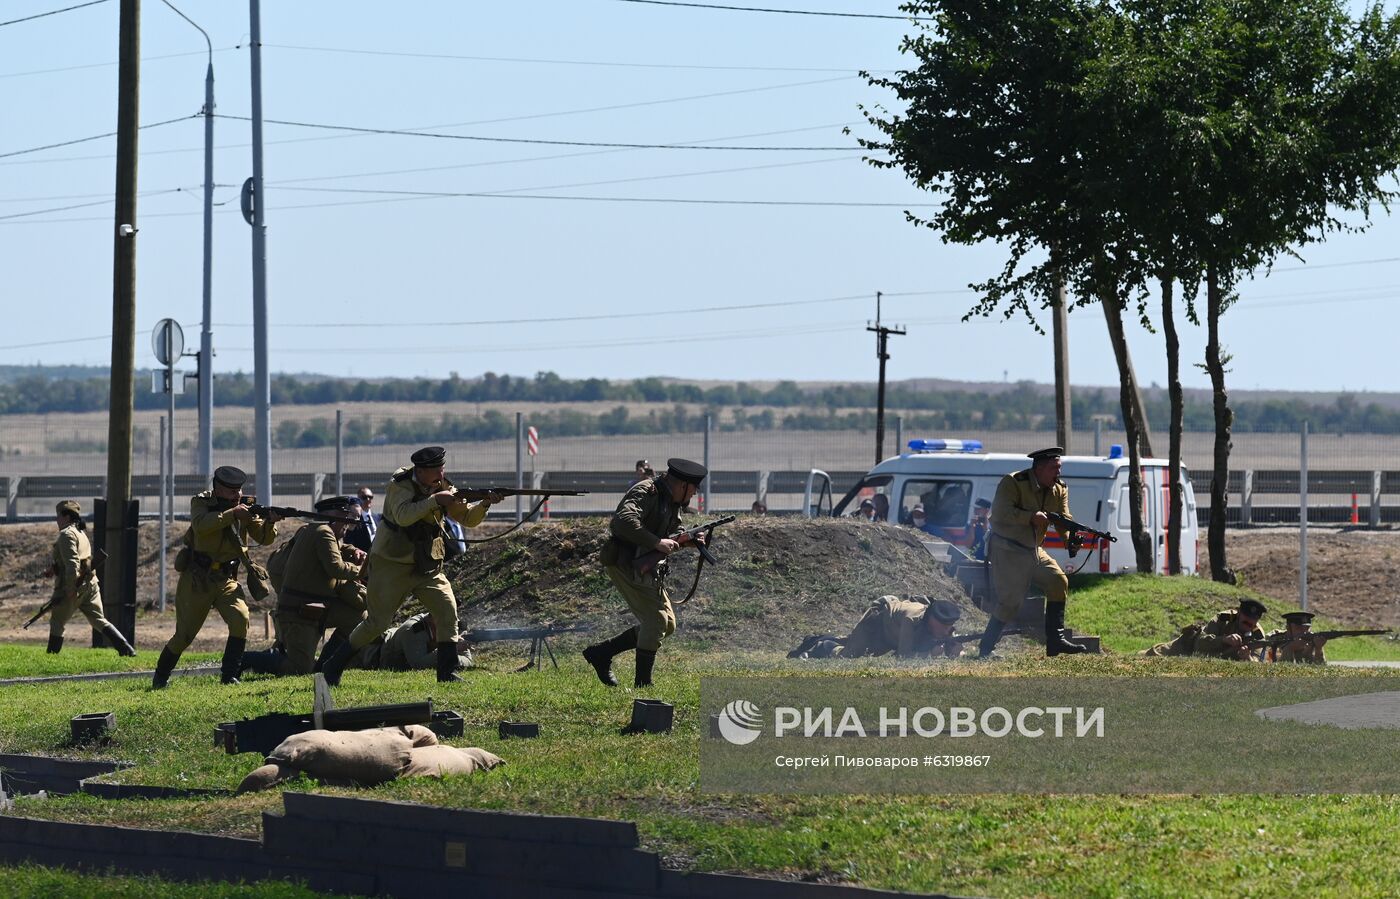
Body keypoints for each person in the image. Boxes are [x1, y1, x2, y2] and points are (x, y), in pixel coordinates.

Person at [319, 446, 502, 686]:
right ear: (421, 471)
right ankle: (333, 666)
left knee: (447, 611)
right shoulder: (400, 484)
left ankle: (446, 673)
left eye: (442, 468)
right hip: (391, 564)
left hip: (426, 564)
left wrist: (485, 504)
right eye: (436, 469)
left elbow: (468, 518)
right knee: (377, 623)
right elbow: (404, 516)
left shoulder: (444, 486)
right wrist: (435, 500)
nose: (441, 473)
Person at [582, 458, 708, 688]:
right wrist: (656, 542)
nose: (694, 495)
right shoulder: (647, 490)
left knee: (667, 625)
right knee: (656, 621)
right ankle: (643, 684)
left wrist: (687, 539)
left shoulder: (671, 499)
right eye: (693, 490)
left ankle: (602, 653)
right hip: (625, 561)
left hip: (646, 565)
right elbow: (623, 521)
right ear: (683, 485)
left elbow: (672, 530)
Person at [153, 466, 281, 688]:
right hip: (198, 579)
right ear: (217, 488)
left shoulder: (244, 508)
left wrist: (270, 521)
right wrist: (233, 514)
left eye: (239, 490)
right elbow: (201, 526)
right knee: (184, 635)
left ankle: (230, 675)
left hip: (227, 579)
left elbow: (264, 537)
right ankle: (160, 678)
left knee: (240, 619)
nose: (237, 495)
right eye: (231, 491)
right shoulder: (201, 502)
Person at [240, 496, 367, 677]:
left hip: (317, 607)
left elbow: (339, 547)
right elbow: (336, 568)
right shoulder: (323, 532)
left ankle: (326, 666)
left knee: (358, 617)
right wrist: (362, 569)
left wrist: (353, 551)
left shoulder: (320, 531)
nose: (349, 526)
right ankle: (248, 659)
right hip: (300, 612)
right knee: (299, 669)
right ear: (335, 516)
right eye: (347, 520)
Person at [980, 447, 1088, 659]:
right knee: (1010, 602)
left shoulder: (1059, 488)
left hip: (1033, 550)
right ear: (1038, 469)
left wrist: (1070, 541)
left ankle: (1055, 642)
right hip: (1007, 549)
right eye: (1053, 468)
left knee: (1058, 581)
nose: (1058, 473)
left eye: (1059, 468)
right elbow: (999, 514)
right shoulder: (1013, 483)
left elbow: (1063, 519)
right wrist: (1030, 517)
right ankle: (986, 649)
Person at [43, 500, 135, 657]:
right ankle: (126, 649)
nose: (57, 520)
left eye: (58, 516)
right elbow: (78, 559)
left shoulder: (66, 535)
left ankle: (51, 657)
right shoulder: (81, 533)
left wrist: (71, 588)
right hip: (90, 584)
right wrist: (55, 568)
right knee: (99, 620)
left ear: (66, 517)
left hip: (75, 585)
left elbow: (72, 564)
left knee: (57, 621)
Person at [833, 596, 966, 659]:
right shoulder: (911, 619)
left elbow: (954, 650)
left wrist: (957, 652)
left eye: (949, 626)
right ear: (931, 619)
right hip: (877, 623)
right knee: (847, 655)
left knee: (868, 653)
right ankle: (825, 646)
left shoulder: (944, 626)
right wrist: (930, 654)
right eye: (943, 626)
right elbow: (902, 657)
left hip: (893, 637)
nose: (946, 631)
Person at [376, 612, 473, 672]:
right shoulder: (414, 629)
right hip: (377, 653)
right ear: (432, 619)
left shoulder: (453, 625)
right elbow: (418, 665)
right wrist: (450, 650)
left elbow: (468, 661)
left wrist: (452, 653)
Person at [1191, 599, 1268, 661]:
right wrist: (1223, 639)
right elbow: (1199, 643)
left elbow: (1258, 662)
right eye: (1246, 616)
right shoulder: (1222, 619)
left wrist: (1247, 657)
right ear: (1239, 613)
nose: (1249, 620)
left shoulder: (1258, 635)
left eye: (1254, 618)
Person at [345, 487, 378, 554]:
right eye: (364, 497)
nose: (368, 499)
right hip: (363, 558)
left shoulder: (377, 517)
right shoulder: (354, 519)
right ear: (358, 498)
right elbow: (349, 541)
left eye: (370, 497)